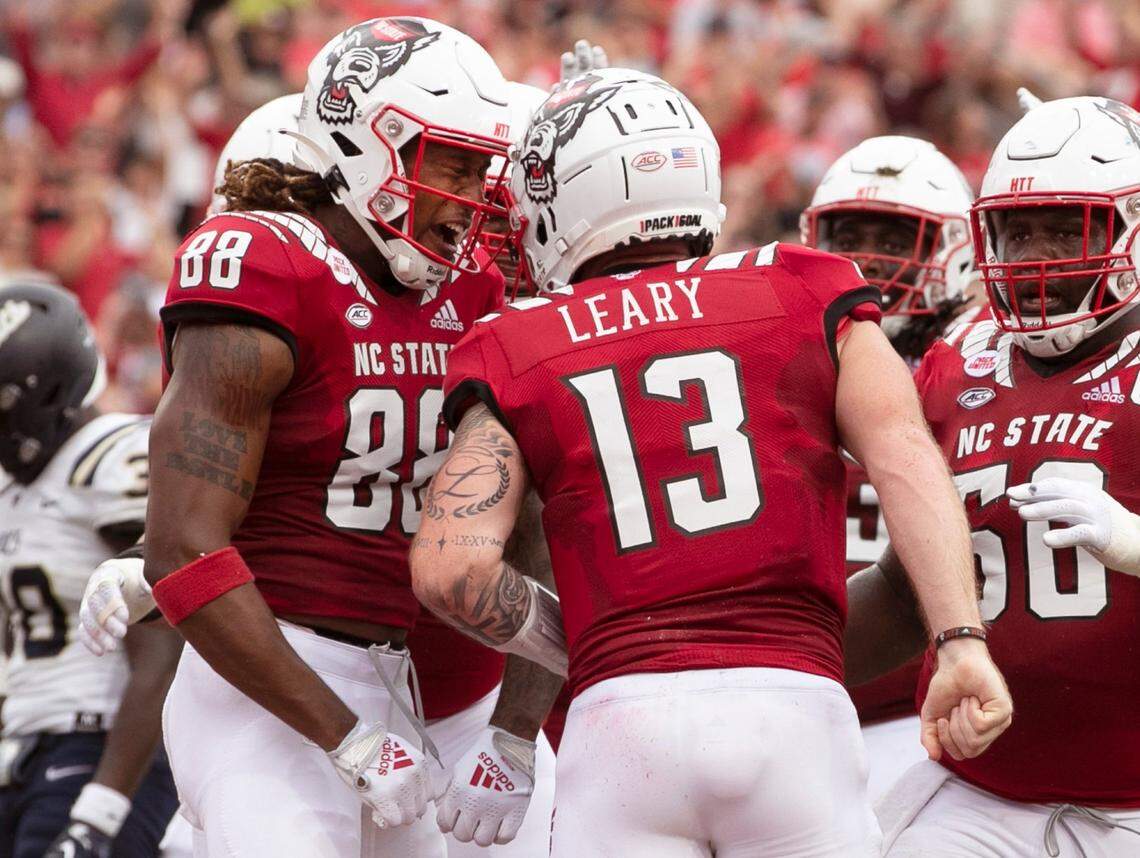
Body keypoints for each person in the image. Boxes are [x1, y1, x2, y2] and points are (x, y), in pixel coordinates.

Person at [410, 68, 1012, 858]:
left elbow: (451, 570)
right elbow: (906, 458)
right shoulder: (805, 285)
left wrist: (591, 641)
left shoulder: (517, 339)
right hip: (793, 708)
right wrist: (961, 640)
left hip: (621, 726)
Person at [78, 16, 516, 857]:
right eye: (447, 162)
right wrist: (345, 736)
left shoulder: (467, 290)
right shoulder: (267, 263)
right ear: (364, 142)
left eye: (478, 167)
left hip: (400, 675)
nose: (467, 195)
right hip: (271, 678)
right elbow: (183, 545)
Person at [848, 96, 1140, 857]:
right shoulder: (957, 360)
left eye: (1066, 227)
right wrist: (771, 655)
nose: (1038, 253)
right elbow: (909, 589)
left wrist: (1133, 542)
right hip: (979, 787)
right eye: (1020, 229)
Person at [801, 135, 981, 801]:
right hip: (792, 682)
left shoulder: (981, 364)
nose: (866, 257)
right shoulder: (776, 351)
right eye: (848, 233)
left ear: (957, 248)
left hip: (918, 706)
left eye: (894, 236)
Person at [0, 281, 180, 858]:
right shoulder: (14, 486)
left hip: (100, 746)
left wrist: (102, 808)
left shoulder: (112, 454)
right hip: (25, 747)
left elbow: (163, 635)